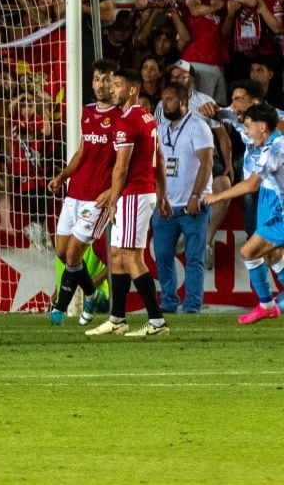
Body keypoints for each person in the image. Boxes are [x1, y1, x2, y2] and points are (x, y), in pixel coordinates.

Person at [85, 70, 171, 338]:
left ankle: (157, 322)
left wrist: (112, 198)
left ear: (132, 90)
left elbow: (121, 168)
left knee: (133, 257)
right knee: (117, 255)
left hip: (133, 193)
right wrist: (163, 194)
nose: (112, 89)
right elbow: (159, 157)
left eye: (118, 85)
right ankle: (117, 318)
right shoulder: (146, 117)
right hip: (139, 193)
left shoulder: (128, 122)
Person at [46, 59, 124, 326]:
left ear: (116, 84)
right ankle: (91, 293)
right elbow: (82, 150)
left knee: (72, 255)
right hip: (75, 191)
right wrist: (63, 176)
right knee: (60, 251)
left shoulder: (123, 118)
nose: (101, 85)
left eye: (107, 80)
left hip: (97, 198)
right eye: (97, 79)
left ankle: (59, 309)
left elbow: (128, 164)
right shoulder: (87, 112)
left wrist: (112, 191)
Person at [204, 104, 284, 324]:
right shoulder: (275, 143)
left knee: (249, 252)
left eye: (248, 126)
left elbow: (251, 185)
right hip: (278, 209)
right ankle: (268, 306)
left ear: (263, 127)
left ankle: (267, 306)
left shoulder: (274, 150)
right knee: (270, 255)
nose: (246, 132)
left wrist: (216, 197)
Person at [150, 83, 214, 314]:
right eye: (163, 99)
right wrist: (159, 197)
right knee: (164, 256)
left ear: (182, 101)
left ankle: (191, 307)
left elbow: (207, 162)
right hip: (166, 204)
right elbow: (155, 164)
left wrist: (196, 196)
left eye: (169, 99)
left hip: (192, 205)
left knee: (194, 258)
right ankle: (168, 303)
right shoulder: (160, 126)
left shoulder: (198, 127)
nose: (164, 103)